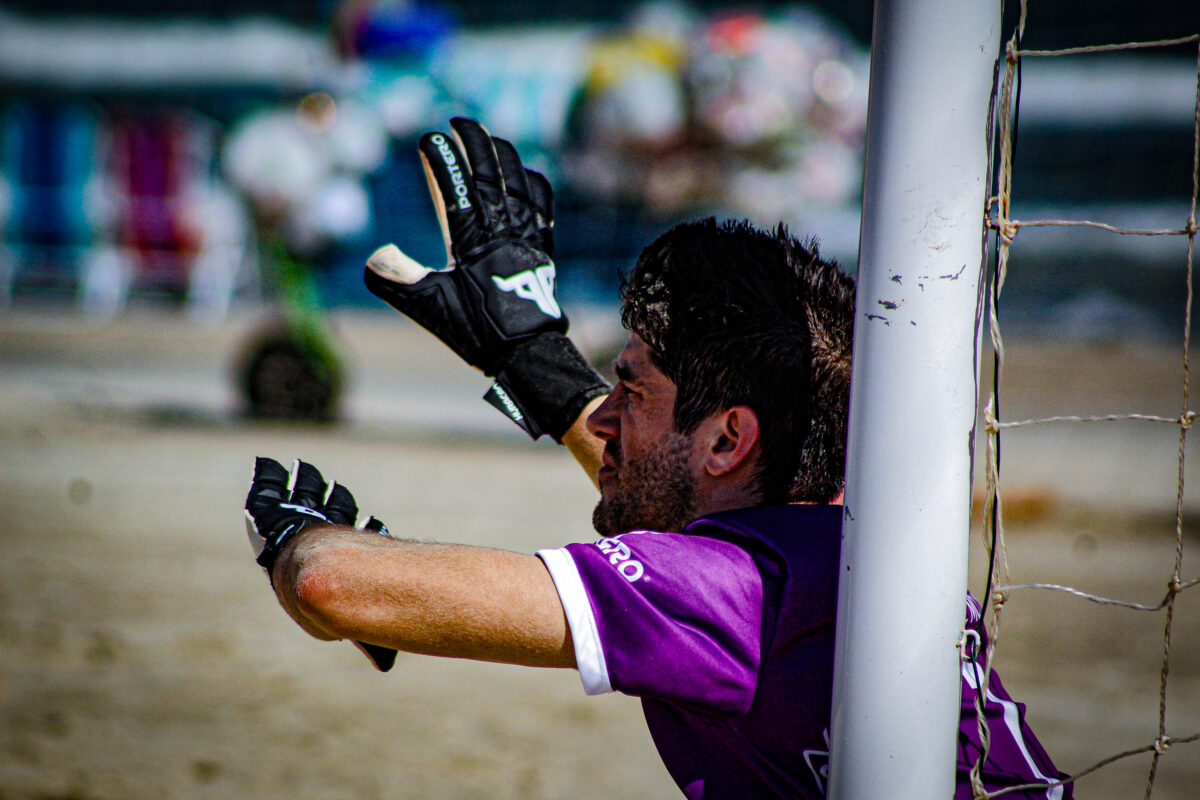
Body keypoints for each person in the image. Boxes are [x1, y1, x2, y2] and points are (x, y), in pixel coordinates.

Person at [243, 118, 1070, 799]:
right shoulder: (854, 532)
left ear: (728, 438)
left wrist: (299, 542)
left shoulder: (733, 594)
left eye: (630, 393)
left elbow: (333, 584)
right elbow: (673, 499)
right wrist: (529, 356)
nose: (602, 415)